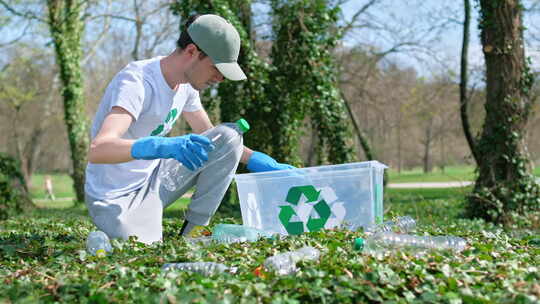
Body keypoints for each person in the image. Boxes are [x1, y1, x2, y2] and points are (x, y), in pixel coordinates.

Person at [85, 14, 294, 244]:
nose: (220, 78)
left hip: (155, 181)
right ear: (192, 52)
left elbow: (215, 140)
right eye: (216, 68)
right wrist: (158, 146)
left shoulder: (186, 88)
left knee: (230, 135)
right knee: (141, 245)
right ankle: (131, 226)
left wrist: (260, 161)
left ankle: (194, 230)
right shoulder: (137, 82)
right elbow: (99, 149)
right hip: (115, 197)